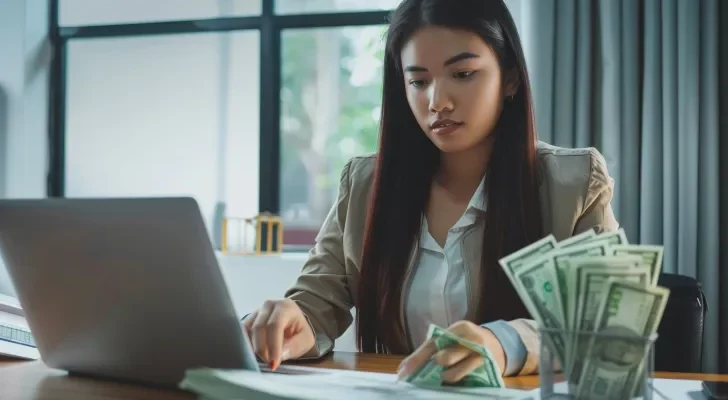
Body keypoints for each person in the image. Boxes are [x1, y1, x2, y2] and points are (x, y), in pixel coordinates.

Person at [243, 0, 618, 383]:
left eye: (463, 73)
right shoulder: (364, 185)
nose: (437, 101)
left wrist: (499, 343)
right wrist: (290, 324)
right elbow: (315, 303)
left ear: (510, 78)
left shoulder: (572, 183)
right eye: (418, 82)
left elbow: (604, 325)